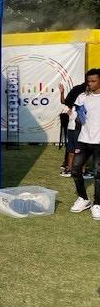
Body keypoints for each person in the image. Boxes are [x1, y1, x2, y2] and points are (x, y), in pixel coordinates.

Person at [70, 68, 100, 219]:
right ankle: (83, 198)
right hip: (84, 140)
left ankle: (97, 204)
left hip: (99, 142)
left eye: (93, 81)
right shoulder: (82, 96)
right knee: (75, 169)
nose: (90, 83)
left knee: (98, 174)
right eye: (88, 81)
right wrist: (77, 115)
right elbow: (77, 114)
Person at [59, 81, 90, 177]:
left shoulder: (82, 104)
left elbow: (65, 102)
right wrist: (62, 92)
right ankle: (71, 169)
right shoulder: (76, 104)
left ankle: (79, 170)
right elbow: (64, 102)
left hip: (76, 129)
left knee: (76, 150)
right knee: (74, 150)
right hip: (73, 129)